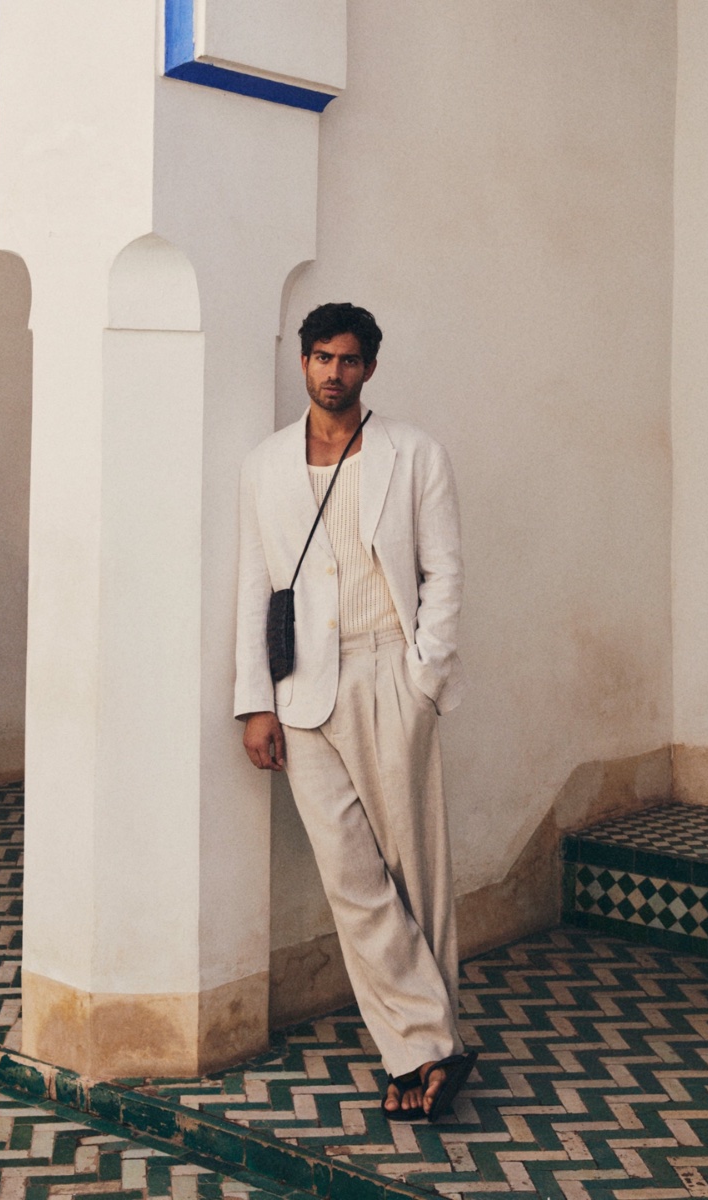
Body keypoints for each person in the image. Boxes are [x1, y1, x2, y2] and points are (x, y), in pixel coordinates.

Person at [234, 302, 475, 1121]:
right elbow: (254, 586)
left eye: (349, 359)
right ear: (302, 362)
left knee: (416, 871)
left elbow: (444, 573)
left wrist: (425, 676)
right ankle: (430, 1044)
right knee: (352, 879)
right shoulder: (265, 464)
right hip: (302, 692)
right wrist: (254, 704)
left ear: (370, 367)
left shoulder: (414, 454)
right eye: (321, 357)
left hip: (388, 676)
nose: (333, 372)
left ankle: (425, 1046)